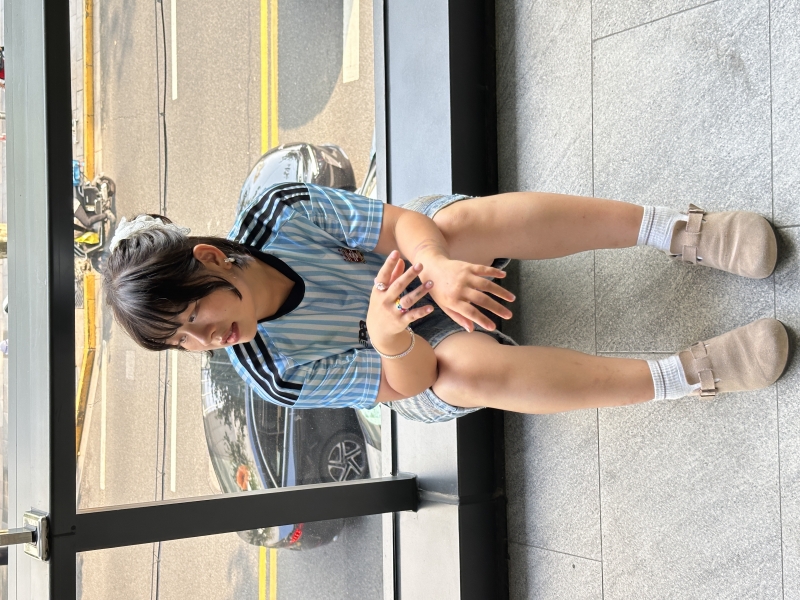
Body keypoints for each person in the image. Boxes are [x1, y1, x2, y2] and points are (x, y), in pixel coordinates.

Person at [103, 183, 790, 423]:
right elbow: (411, 382)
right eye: (182, 343)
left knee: (453, 227)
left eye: (192, 319)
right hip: (413, 359)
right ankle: (688, 375)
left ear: (208, 259)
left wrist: (435, 266)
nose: (206, 342)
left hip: (423, 264)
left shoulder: (280, 213)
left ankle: (678, 231)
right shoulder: (273, 371)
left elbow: (404, 226)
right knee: (460, 373)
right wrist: (389, 335)